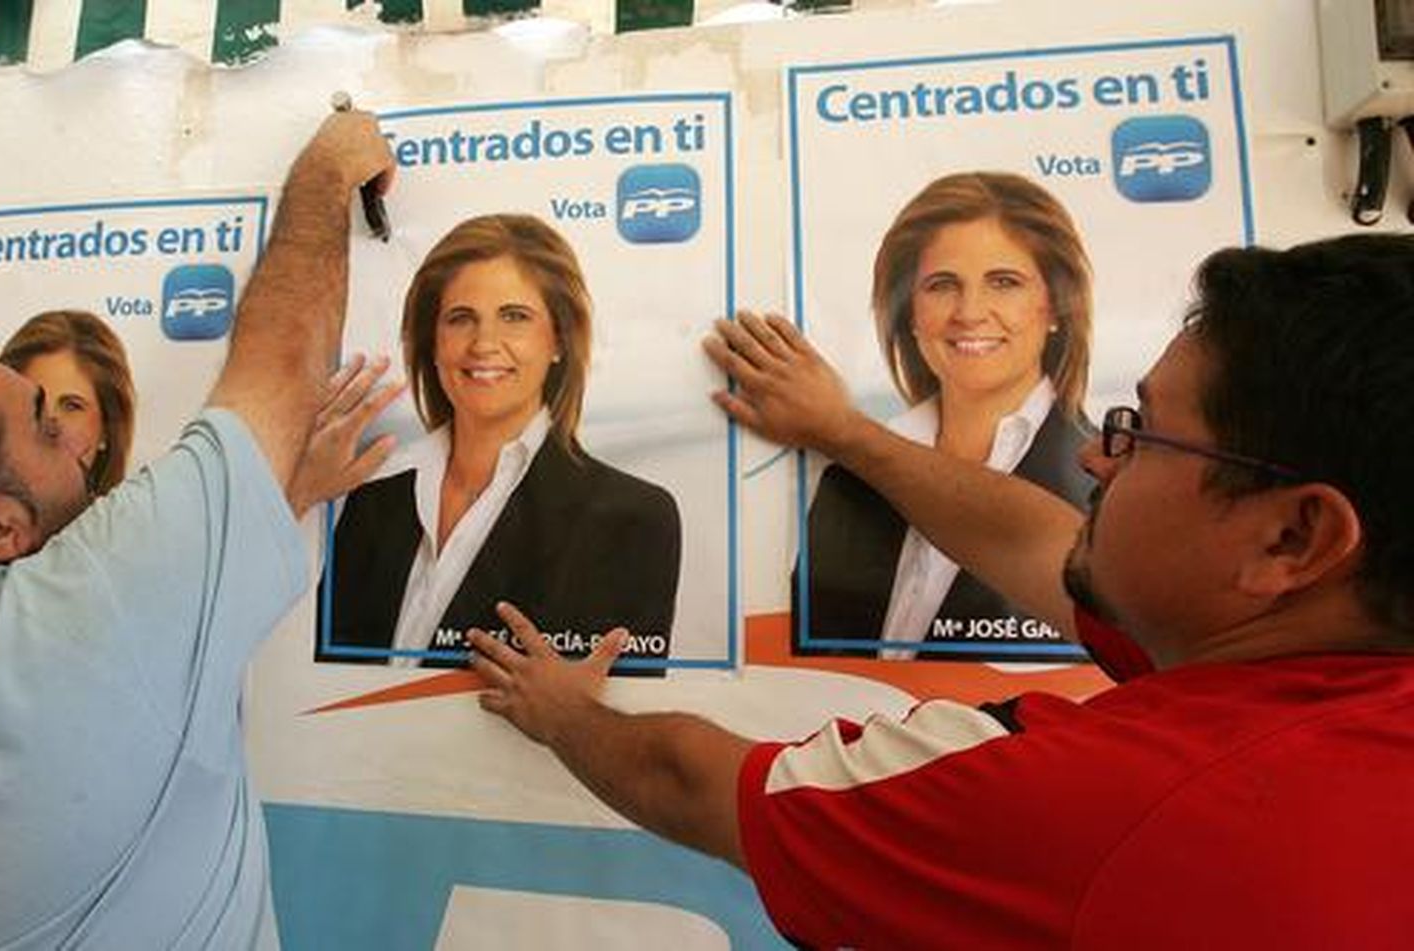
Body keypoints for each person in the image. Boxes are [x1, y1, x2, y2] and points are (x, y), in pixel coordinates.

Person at [468, 234, 1414, 949]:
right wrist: (847, 432)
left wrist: (564, 714)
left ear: (1294, 536)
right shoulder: (1326, 665)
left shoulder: (1089, 802)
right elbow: (1042, 545)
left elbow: (694, 781)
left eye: (1144, 431)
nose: (1096, 454)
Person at [0, 111, 397, 948]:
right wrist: (328, 167)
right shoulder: (70, 625)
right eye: (45, 426)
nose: (76, 448)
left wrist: (274, 498)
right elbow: (281, 360)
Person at [321, 213, 680, 669]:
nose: (483, 344)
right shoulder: (371, 506)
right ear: (432, 343)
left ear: (559, 341)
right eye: (460, 319)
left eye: (514, 317)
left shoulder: (633, 519)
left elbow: (603, 721)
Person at [799, 171, 1093, 658]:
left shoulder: (1105, 488)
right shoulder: (846, 486)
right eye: (941, 285)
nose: (970, 312)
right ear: (908, 314)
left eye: (1004, 282)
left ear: (1056, 306)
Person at [0, 309, 137, 495]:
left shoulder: (130, 522)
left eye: (72, 406)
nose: (51, 425)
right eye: (36, 403)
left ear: (106, 430)